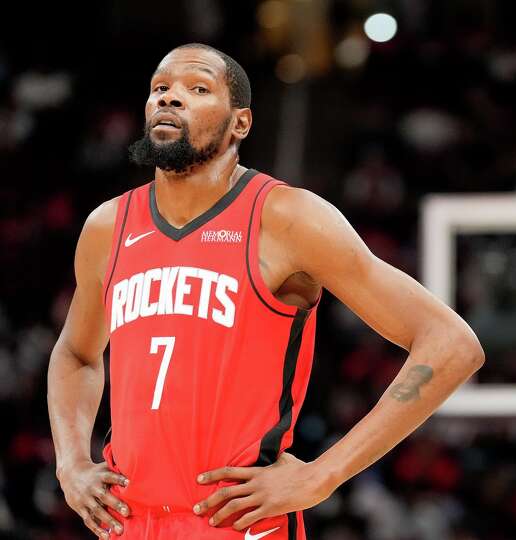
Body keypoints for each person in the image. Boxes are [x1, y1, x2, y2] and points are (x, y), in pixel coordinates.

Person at [46, 43, 484, 539]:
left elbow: (451, 344)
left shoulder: (287, 218)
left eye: (198, 88)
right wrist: (71, 463)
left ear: (241, 123)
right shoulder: (107, 227)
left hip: (239, 523)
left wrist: (323, 475)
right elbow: (76, 354)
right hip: (128, 522)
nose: (169, 97)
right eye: (160, 88)